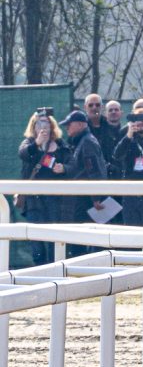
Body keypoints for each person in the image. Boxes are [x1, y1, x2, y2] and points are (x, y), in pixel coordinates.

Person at [18, 110, 70, 264]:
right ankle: (40, 270)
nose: (43, 126)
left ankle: (55, 270)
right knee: (37, 244)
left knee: (54, 239)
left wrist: (64, 168)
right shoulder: (29, 143)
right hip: (33, 202)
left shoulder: (60, 144)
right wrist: (37, 143)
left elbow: (72, 164)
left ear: (52, 125)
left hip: (54, 201)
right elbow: (23, 154)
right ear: (33, 127)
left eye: (46, 122)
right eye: (39, 123)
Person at [59, 110, 108, 256]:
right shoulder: (84, 140)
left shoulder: (87, 142)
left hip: (86, 199)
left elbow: (94, 170)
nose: (67, 127)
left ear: (81, 124)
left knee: (82, 238)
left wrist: (96, 197)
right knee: (83, 237)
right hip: (84, 197)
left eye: (69, 124)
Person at [84, 93, 119, 164]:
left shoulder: (110, 126)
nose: (94, 108)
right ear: (85, 107)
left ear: (102, 107)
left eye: (97, 105)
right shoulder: (81, 127)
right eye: (90, 105)